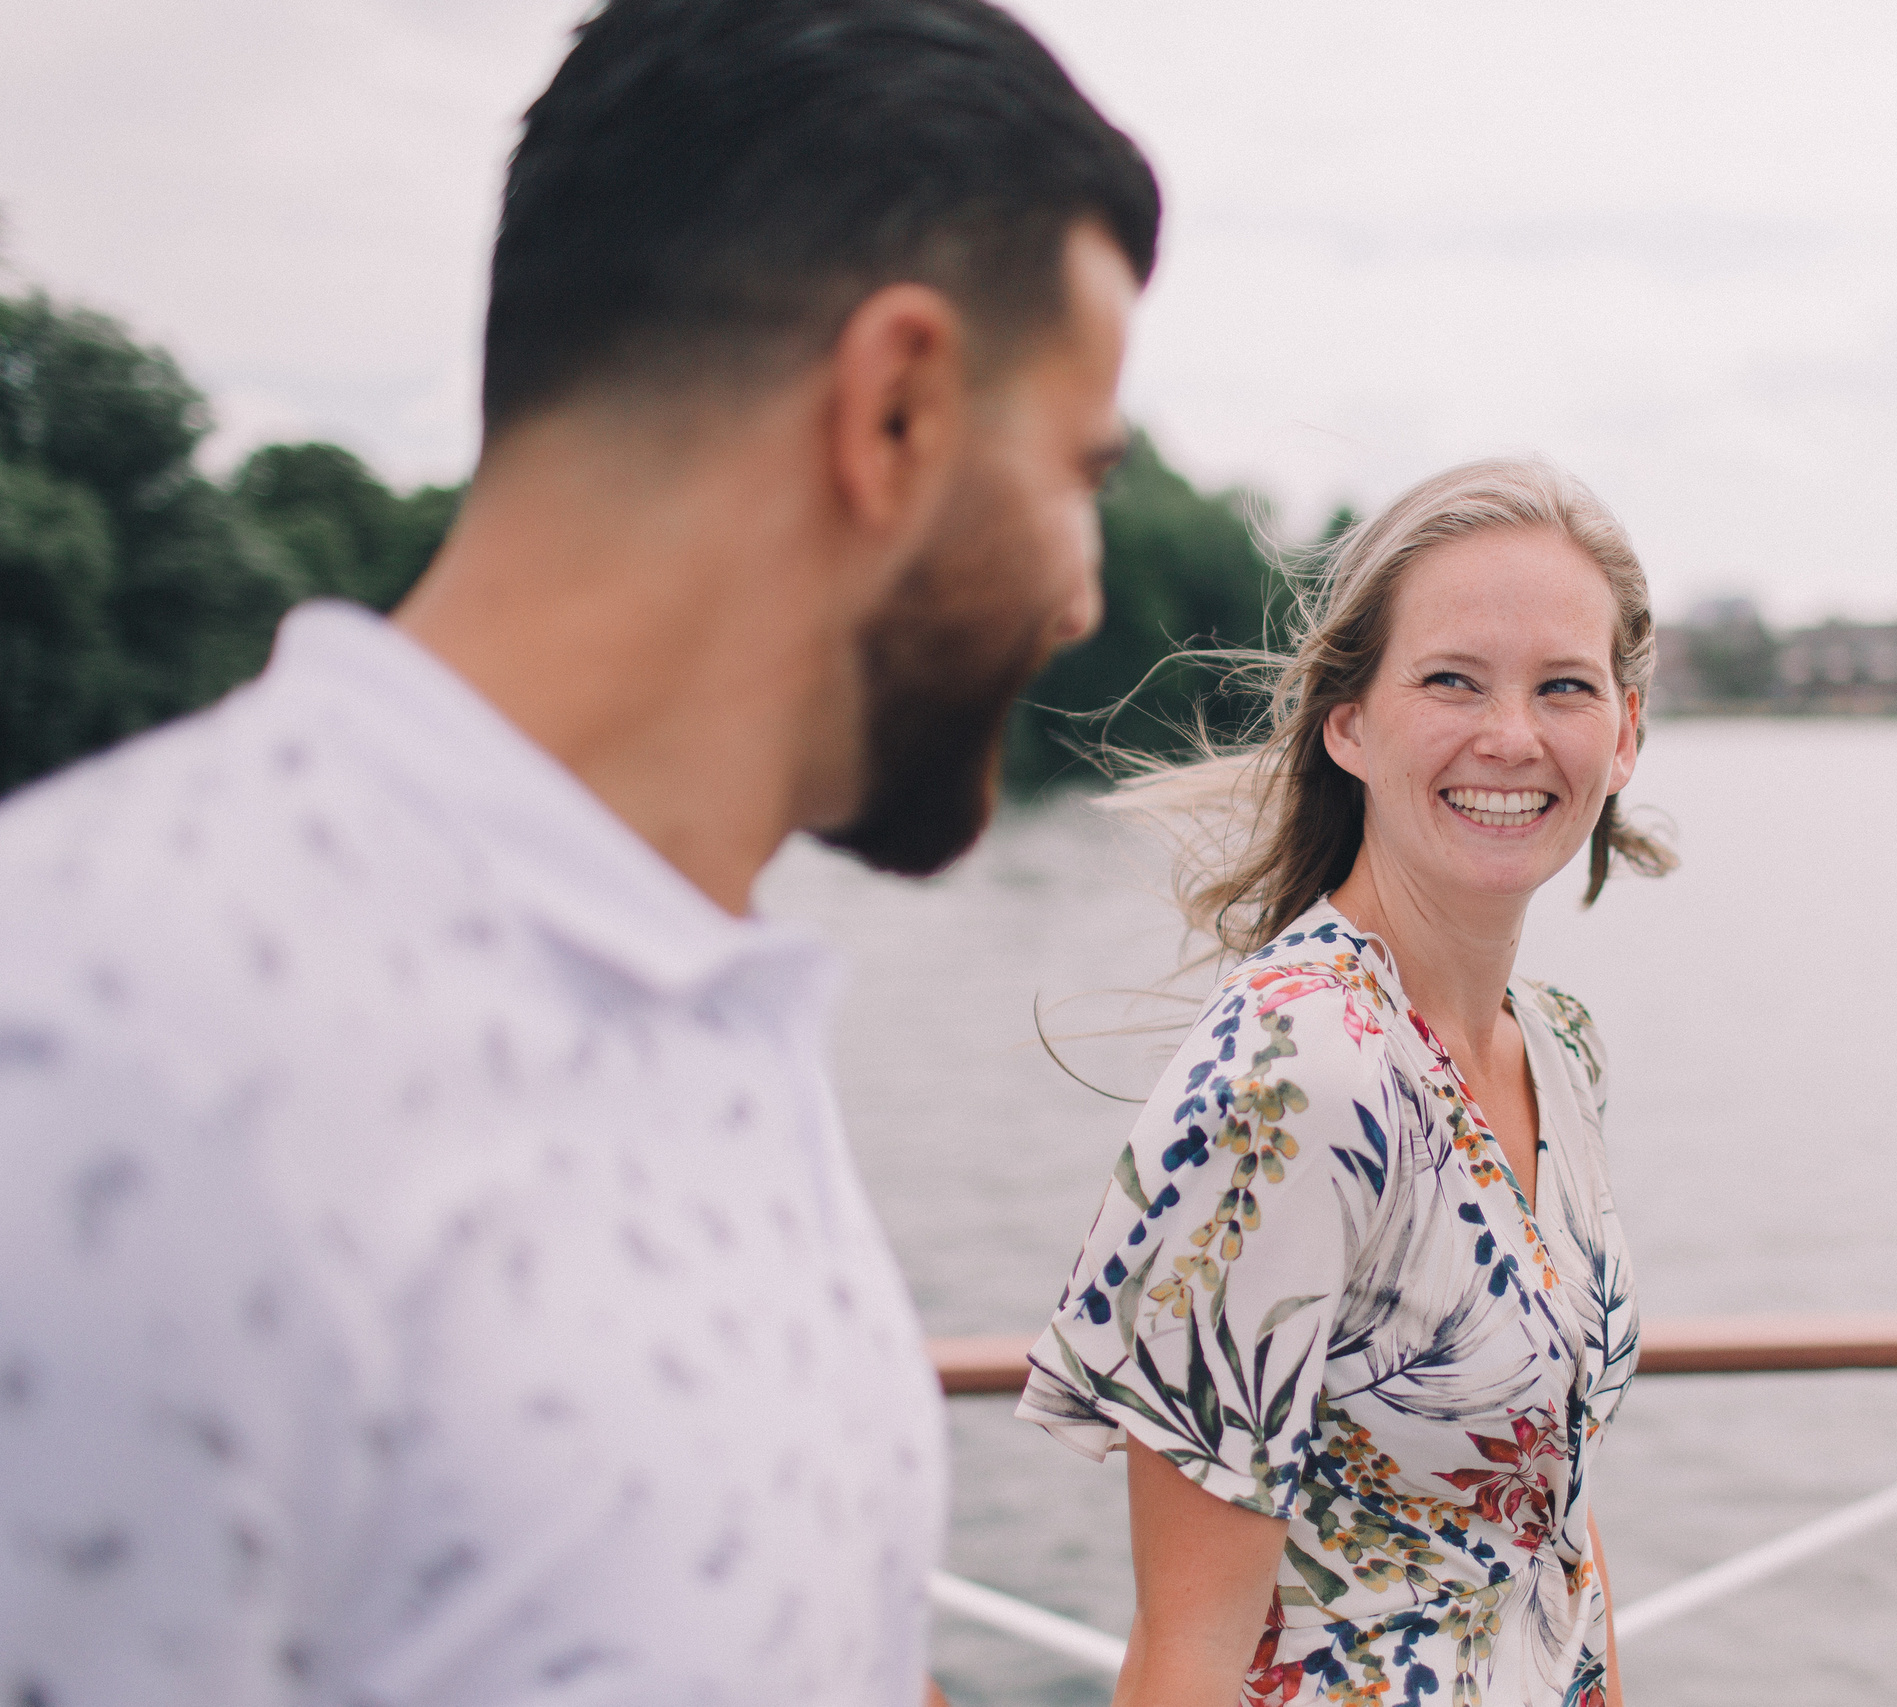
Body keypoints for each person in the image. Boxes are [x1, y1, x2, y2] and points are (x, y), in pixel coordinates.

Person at [0, 1, 1156, 1701]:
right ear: (894, 410)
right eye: (1081, 470)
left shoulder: (699, 1000)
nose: (1084, 593)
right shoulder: (93, 1046)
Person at [1019, 460, 1673, 1707]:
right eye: (1451, 681)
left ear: (1625, 733)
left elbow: (1552, 1531)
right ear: (1349, 722)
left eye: (1564, 688)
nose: (1511, 738)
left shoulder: (1559, 1050)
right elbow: (1187, 1651)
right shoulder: (1298, 1076)